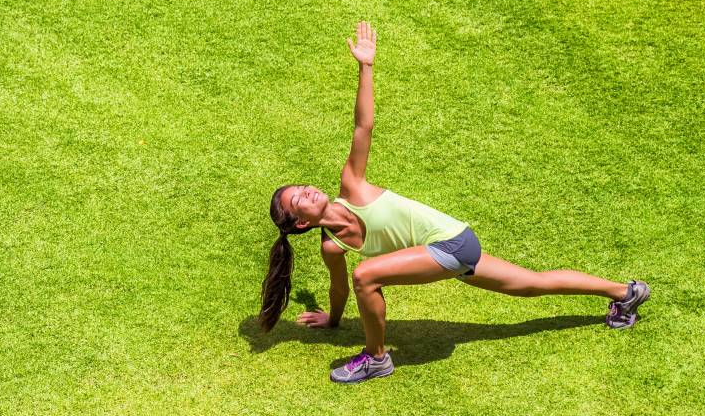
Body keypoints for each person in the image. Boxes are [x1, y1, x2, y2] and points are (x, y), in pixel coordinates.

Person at [259, 21, 650, 384]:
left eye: (303, 187)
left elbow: (363, 126)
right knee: (532, 284)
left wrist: (366, 67)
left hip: (454, 243)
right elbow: (340, 288)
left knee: (368, 275)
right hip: (450, 250)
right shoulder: (333, 246)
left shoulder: (352, 185)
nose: (308, 190)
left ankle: (376, 358)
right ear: (302, 224)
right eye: (299, 200)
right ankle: (625, 293)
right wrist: (332, 320)